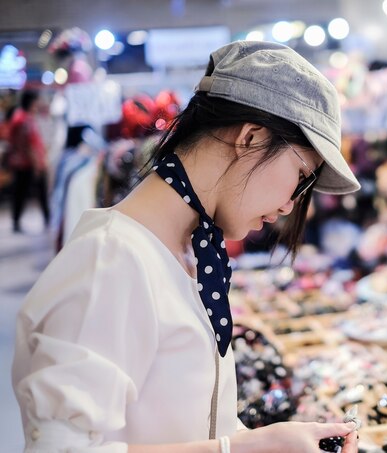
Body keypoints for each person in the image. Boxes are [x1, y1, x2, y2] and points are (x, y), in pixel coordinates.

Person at [12, 41, 361, 452]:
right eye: (302, 176)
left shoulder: (190, 256)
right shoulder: (109, 260)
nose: (289, 204)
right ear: (250, 138)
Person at [7, 89, 50, 232]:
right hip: (27, 163)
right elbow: (30, 145)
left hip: (20, 162)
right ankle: (47, 218)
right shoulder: (26, 120)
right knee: (33, 191)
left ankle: (17, 220)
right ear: (31, 102)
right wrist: (38, 165)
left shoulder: (17, 117)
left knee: (20, 192)